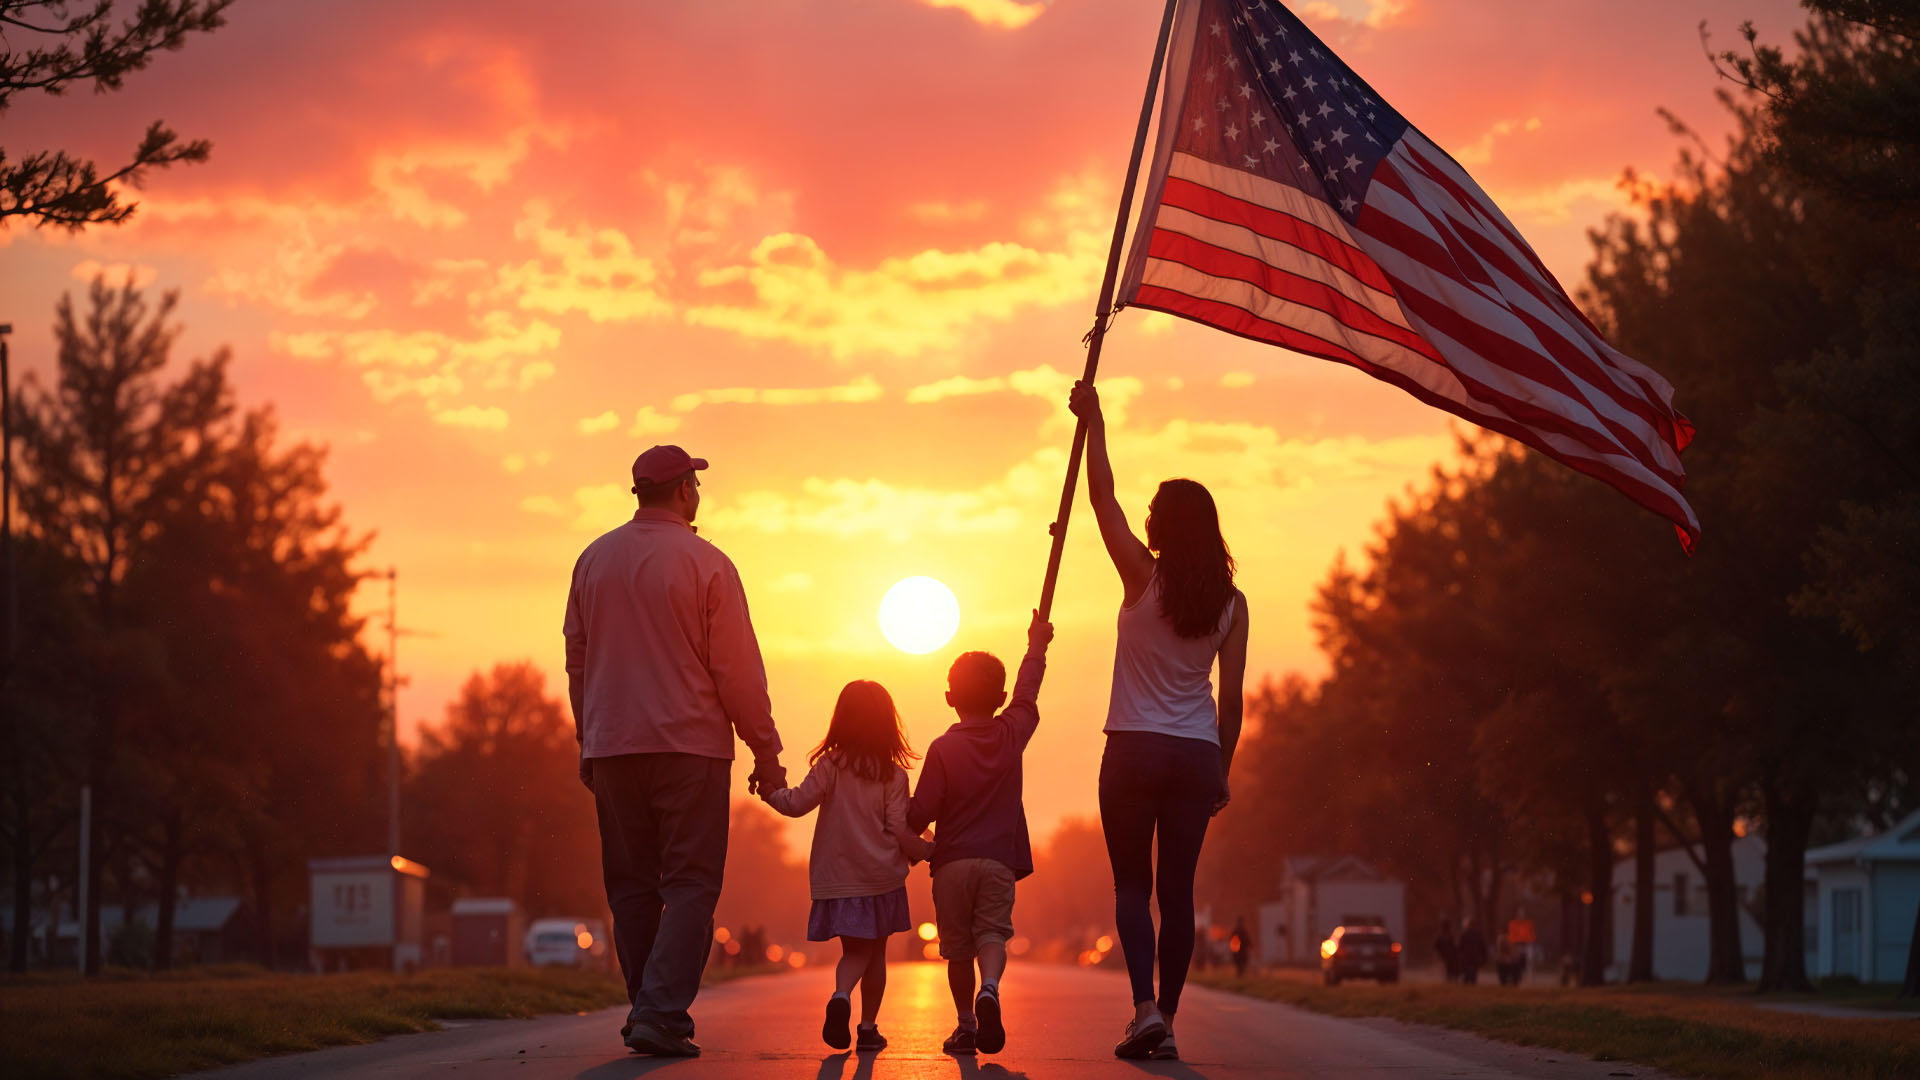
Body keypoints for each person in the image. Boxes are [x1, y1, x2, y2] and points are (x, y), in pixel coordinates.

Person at [564, 444, 787, 1057]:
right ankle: (659, 1011)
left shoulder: (592, 561)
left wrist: (591, 741)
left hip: (614, 747)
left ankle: (646, 1009)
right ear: (685, 490)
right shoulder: (707, 563)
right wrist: (766, 753)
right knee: (690, 882)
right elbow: (737, 673)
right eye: (695, 482)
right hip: (689, 749)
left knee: (632, 888)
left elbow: (577, 663)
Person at [1069, 382, 1251, 1062]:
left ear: (1161, 526)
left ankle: (1144, 1009)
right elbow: (1231, 703)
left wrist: (1095, 423)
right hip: (1196, 755)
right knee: (1179, 893)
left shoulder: (1142, 577)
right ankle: (1166, 1022)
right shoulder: (1233, 603)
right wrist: (1223, 770)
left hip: (1134, 754)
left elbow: (1100, 499)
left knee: (1130, 887)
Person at [908, 612, 1052, 1057]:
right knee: (992, 934)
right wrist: (1036, 646)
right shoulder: (1012, 734)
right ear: (1001, 697)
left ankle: (966, 1024)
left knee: (955, 949)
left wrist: (908, 831)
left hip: (951, 864)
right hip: (997, 862)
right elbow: (1029, 693)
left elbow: (919, 814)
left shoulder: (942, 748)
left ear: (949, 697)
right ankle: (989, 988)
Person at [762, 680, 930, 1054]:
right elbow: (899, 829)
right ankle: (867, 1028)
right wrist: (926, 850)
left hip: (838, 881)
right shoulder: (894, 775)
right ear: (888, 724)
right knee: (876, 953)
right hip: (882, 880)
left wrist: (770, 792)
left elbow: (795, 804)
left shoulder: (830, 766)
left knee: (854, 951)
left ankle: (841, 996)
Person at [1457, 918, 1487, 986]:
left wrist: (1460, 956)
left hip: (1466, 958)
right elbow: (1482, 947)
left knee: (1466, 975)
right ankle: (1472, 985)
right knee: (1473, 975)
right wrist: (1484, 958)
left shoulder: (1464, 934)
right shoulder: (1478, 935)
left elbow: (1459, 947)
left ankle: (1467, 986)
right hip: (1475, 958)